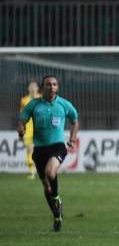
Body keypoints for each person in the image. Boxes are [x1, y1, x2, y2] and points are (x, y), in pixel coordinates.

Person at [17, 75, 79, 232]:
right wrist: (21, 129)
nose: (51, 87)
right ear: (43, 87)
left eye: (54, 84)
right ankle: (56, 215)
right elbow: (22, 119)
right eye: (48, 84)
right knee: (46, 187)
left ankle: (57, 197)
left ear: (57, 87)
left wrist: (72, 139)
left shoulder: (64, 104)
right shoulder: (34, 104)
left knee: (50, 173)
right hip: (40, 149)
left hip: (57, 146)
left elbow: (75, 120)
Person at [18, 80, 41, 179]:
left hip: (40, 128)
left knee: (41, 150)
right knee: (29, 150)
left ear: (37, 88)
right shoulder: (24, 100)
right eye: (30, 86)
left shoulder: (41, 98)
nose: (32, 88)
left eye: (34, 86)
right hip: (28, 128)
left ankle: (42, 170)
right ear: (28, 88)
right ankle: (32, 172)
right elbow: (22, 115)